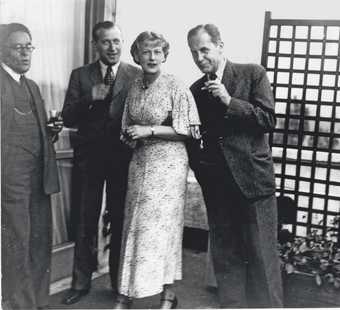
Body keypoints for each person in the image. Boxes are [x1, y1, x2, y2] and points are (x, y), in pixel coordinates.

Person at [186, 24, 283, 308]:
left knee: (262, 257)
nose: (200, 57)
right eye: (194, 52)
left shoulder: (252, 73)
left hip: (253, 182)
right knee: (226, 257)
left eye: (204, 49)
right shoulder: (195, 89)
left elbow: (268, 120)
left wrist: (230, 101)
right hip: (218, 186)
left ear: (220, 45)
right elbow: (195, 137)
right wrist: (203, 174)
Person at [113, 31, 200, 309]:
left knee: (160, 229)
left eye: (157, 51)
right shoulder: (135, 85)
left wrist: (148, 130)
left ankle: (166, 293)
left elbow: (189, 130)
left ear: (164, 55)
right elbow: (128, 123)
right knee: (133, 225)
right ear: (136, 56)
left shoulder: (175, 85)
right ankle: (126, 293)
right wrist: (130, 135)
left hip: (168, 164)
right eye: (145, 52)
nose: (151, 57)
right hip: (140, 162)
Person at [61, 21, 140, 305]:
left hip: (123, 159)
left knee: (120, 220)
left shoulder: (136, 74)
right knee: (85, 220)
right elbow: (68, 117)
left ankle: (120, 284)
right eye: (106, 42)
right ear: (96, 45)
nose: (113, 47)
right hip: (90, 160)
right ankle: (80, 283)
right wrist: (88, 100)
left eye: (117, 41)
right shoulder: (80, 75)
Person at [0, 23, 61, 309]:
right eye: (17, 47)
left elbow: (31, 130)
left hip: (39, 177)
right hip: (11, 180)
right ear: (2, 49)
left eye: (29, 46)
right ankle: (20, 305)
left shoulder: (32, 86)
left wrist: (51, 130)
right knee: (17, 245)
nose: (25, 53)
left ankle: (38, 301)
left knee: (39, 240)